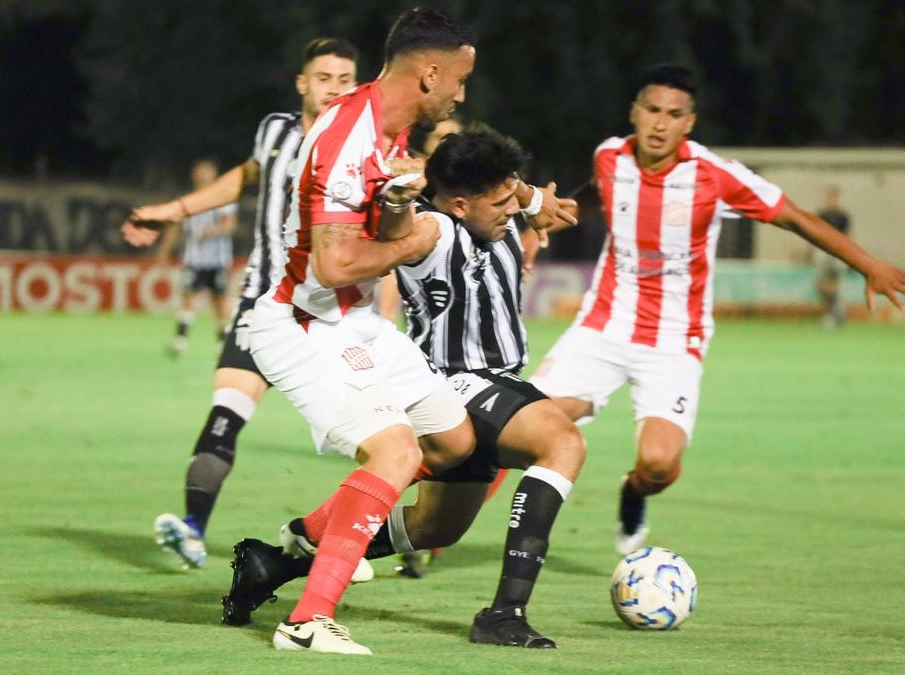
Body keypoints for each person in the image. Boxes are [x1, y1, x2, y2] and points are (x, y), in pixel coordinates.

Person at [529, 64, 905, 556]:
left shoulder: (716, 176)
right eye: (651, 110)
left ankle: (633, 494)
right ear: (635, 111)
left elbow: (798, 218)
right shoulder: (611, 157)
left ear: (688, 123)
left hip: (675, 340)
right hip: (602, 327)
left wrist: (869, 265)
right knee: (524, 421)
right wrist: (539, 228)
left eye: (673, 115)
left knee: (657, 464)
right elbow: (596, 196)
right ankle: (434, 533)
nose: (659, 124)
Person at [222, 126, 584, 649]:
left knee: (437, 528)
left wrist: (531, 199)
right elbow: (401, 234)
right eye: (502, 200)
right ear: (460, 204)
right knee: (562, 442)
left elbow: (515, 194)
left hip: (495, 382)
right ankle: (505, 614)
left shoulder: (492, 214)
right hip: (455, 378)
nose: (512, 208)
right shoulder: (434, 229)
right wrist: (394, 206)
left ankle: (280, 562)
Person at [118, 38, 361, 570]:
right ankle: (193, 530)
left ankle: (368, 538)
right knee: (227, 412)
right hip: (263, 300)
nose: (336, 88)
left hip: (331, 314)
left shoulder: (366, 143)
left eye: (346, 79)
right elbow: (250, 175)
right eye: (325, 77)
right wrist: (174, 210)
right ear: (303, 83)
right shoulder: (276, 130)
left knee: (373, 434)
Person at [154, 159, 238, 356]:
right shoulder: (187, 200)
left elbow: (230, 225)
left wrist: (214, 230)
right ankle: (180, 342)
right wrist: (165, 250)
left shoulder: (224, 199)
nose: (203, 176)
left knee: (219, 302)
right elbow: (175, 227)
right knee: (188, 298)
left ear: (214, 175)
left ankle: (222, 345)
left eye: (207, 172)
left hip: (217, 260)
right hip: (194, 259)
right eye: (200, 172)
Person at [814, 184, 851, 330]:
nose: (833, 200)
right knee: (822, 285)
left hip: (839, 252)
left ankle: (834, 313)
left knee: (835, 284)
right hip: (823, 251)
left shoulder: (843, 216)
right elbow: (813, 232)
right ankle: (834, 312)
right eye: (831, 197)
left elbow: (848, 235)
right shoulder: (822, 214)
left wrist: (850, 256)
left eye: (835, 197)